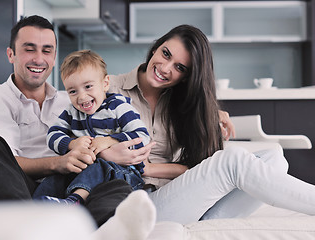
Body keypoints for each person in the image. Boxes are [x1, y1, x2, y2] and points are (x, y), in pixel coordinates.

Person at [90, 24, 315, 224]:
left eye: (180, 67)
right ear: (155, 48)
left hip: (179, 198)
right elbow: (84, 148)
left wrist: (205, 112)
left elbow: (195, 166)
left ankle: (206, 222)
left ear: (187, 76)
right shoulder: (107, 88)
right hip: (140, 205)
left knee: (274, 157)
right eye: (165, 54)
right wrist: (137, 164)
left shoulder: (182, 103)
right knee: (232, 161)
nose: (165, 68)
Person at [0, 15, 157, 239]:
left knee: (119, 187)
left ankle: (90, 228)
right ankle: (23, 225)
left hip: (77, 185)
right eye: (30, 49)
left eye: (47, 50)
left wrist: (110, 146)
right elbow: (7, 161)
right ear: (11, 54)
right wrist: (60, 163)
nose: (39, 58)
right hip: (27, 189)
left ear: (54, 58)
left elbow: (125, 137)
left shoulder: (73, 100)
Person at [33, 49, 151, 204]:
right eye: (73, 91)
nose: (82, 96)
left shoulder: (118, 107)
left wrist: (109, 141)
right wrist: (71, 143)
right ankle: (37, 207)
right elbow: (53, 134)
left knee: (99, 166)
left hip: (122, 173)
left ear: (105, 84)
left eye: (88, 86)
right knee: (59, 173)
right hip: (85, 169)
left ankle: (74, 201)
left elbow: (142, 136)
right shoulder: (72, 112)